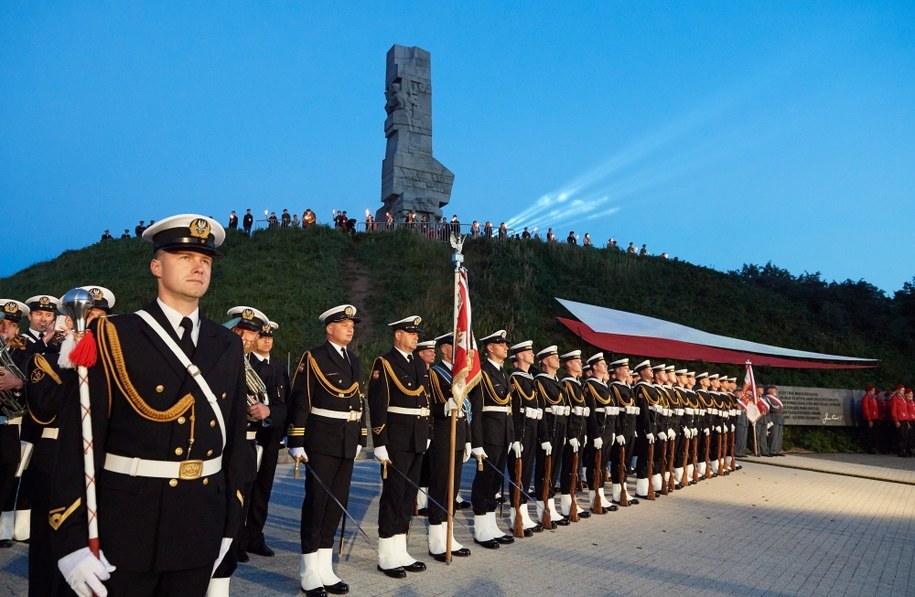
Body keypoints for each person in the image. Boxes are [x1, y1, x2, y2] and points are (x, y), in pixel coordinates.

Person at [49, 213, 251, 597]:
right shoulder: (113, 335)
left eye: (206, 260)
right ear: (156, 265)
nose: (198, 266)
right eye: (184, 256)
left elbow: (236, 442)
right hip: (127, 527)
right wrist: (71, 541)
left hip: (199, 523)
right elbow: (80, 440)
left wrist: (230, 524)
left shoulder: (226, 343)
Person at [25, 286, 115, 597]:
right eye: (85, 317)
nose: (89, 325)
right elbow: (44, 407)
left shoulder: (114, 366)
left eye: (98, 319)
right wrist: (72, 362)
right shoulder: (45, 359)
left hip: (100, 460)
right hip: (54, 457)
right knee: (48, 547)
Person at [287, 305, 365, 596]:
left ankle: (325, 568)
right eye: (344, 323)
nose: (350, 328)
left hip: (346, 440)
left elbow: (359, 399)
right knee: (317, 504)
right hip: (320, 441)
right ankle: (308, 570)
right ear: (329, 328)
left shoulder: (354, 360)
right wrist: (296, 441)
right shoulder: (315, 357)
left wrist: (361, 437)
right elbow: (301, 399)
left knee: (336, 505)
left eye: (352, 324)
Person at [367, 316, 430, 578]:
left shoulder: (418, 362)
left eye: (417, 334)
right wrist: (379, 441)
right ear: (397, 336)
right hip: (396, 439)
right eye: (410, 333)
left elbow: (423, 400)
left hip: (416, 438)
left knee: (409, 495)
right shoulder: (385, 363)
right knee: (393, 495)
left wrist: (427, 433)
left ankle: (400, 548)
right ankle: (385, 554)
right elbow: (377, 404)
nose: (416, 337)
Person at [239, 320, 288, 563]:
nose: (267, 340)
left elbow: (284, 406)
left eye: (270, 337)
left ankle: (254, 536)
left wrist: (270, 412)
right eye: (262, 336)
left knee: (263, 491)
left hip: (269, 439)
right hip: (247, 437)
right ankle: (236, 539)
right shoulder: (244, 363)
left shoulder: (279, 368)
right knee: (243, 491)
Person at [425, 333, 472, 562]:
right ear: (444, 349)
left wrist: (469, 439)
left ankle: (448, 534)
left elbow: (467, 409)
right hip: (443, 435)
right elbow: (431, 404)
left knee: (452, 490)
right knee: (440, 486)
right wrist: (445, 406)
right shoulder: (435, 373)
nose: (462, 350)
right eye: (456, 346)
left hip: (459, 434)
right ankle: (436, 539)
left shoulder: (460, 374)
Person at [469, 330, 514, 548]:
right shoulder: (482, 372)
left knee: (495, 483)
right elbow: (476, 411)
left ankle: (490, 524)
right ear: (490, 348)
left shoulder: (504, 373)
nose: (506, 347)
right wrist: (476, 443)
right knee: (484, 482)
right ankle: (480, 529)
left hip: (503, 434)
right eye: (501, 344)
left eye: (505, 344)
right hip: (488, 435)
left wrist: (512, 436)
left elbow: (508, 408)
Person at [0, 299, 29, 550]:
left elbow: (32, 383)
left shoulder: (24, 352)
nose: (6, 329)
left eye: (10, 325)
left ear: (17, 329)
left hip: (10, 422)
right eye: (2, 324)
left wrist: (17, 384)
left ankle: (2, 531)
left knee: (9, 474)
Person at [507, 340, 543, 535]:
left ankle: (522, 512)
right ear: (520, 356)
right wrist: (515, 438)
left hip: (531, 430)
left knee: (526, 473)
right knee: (518, 475)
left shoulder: (529, 379)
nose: (532, 354)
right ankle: (516, 515)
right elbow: (513, 411)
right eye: (528, 352)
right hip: (520, 433)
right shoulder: (515, 379)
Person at [533, 345, 566, 526]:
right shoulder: (540, 382)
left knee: (554, 469)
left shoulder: (557, 381)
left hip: (559, 427)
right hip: (549, 428)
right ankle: (542, 506)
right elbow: (541, 411)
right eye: (554, 357)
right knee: (544, 470)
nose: (557, 359)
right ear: (545, 361)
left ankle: (550, 504)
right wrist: (544, 437)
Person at [582, 353, 617, 512]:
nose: (605, 366)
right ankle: (594, 498)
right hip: (598, 432)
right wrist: (595, 435)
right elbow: (591, 413)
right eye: (602, 363)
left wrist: (613, 431)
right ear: (594, 366)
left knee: (602, 465)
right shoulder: (590, 386)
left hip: (607, 430)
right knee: (594, 465)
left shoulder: (604, 386)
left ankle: (601, 495)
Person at [861, 385, 880, 453]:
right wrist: (869, 419)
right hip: (870, 419)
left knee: (875, 433)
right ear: (869, 391)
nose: (874, 392)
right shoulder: (866, 398)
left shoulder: (873, 398)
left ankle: (874, 447)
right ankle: (870, 448)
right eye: (873, 390)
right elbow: (865, 409)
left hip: (875, 418)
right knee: (870, 434)